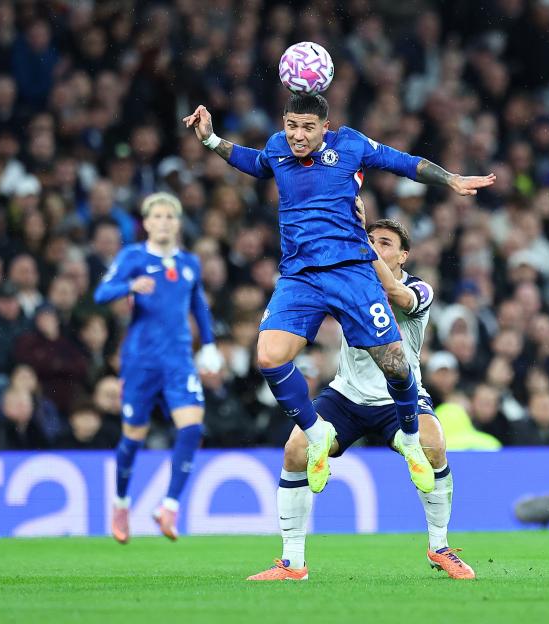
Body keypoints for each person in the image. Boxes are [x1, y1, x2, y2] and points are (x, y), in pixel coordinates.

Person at [183, 94, 494, 495]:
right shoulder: (278, 148)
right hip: (300, 276)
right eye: (291, 125)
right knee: (268, 357)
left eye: (307, 127)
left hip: (351, 271)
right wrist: (210, 140)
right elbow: (254, 162)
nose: (297, 135)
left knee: (397, 366)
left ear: (325, 128)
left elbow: (404, 163)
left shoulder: (351, 144)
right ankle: (316, 434)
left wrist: (449, 178)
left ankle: (410, 440)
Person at [248, 203, 474, 581]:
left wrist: (353, 237)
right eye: (369, 239)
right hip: (347, 396)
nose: (373, 246)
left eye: (384, 243)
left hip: (397, 397)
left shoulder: (421, 288)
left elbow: (395, 294)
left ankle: (440, 546)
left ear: (404, 255)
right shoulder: (346, 281)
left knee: (434, 444)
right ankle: (292, 564)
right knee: (294, 451)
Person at [94, 192, 222, 544]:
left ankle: (168, 507)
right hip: (141, 361)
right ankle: (121, 503)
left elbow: (197, 305)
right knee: (133, 439)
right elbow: (101, 294)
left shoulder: (189, 263)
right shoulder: (133, 257)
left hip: (179, 359)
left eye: (170, 216)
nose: (164, 222)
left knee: (192, 428)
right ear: (147, 223)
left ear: (177, 224)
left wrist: (209, 344)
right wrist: (129, 286)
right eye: (158, 216)